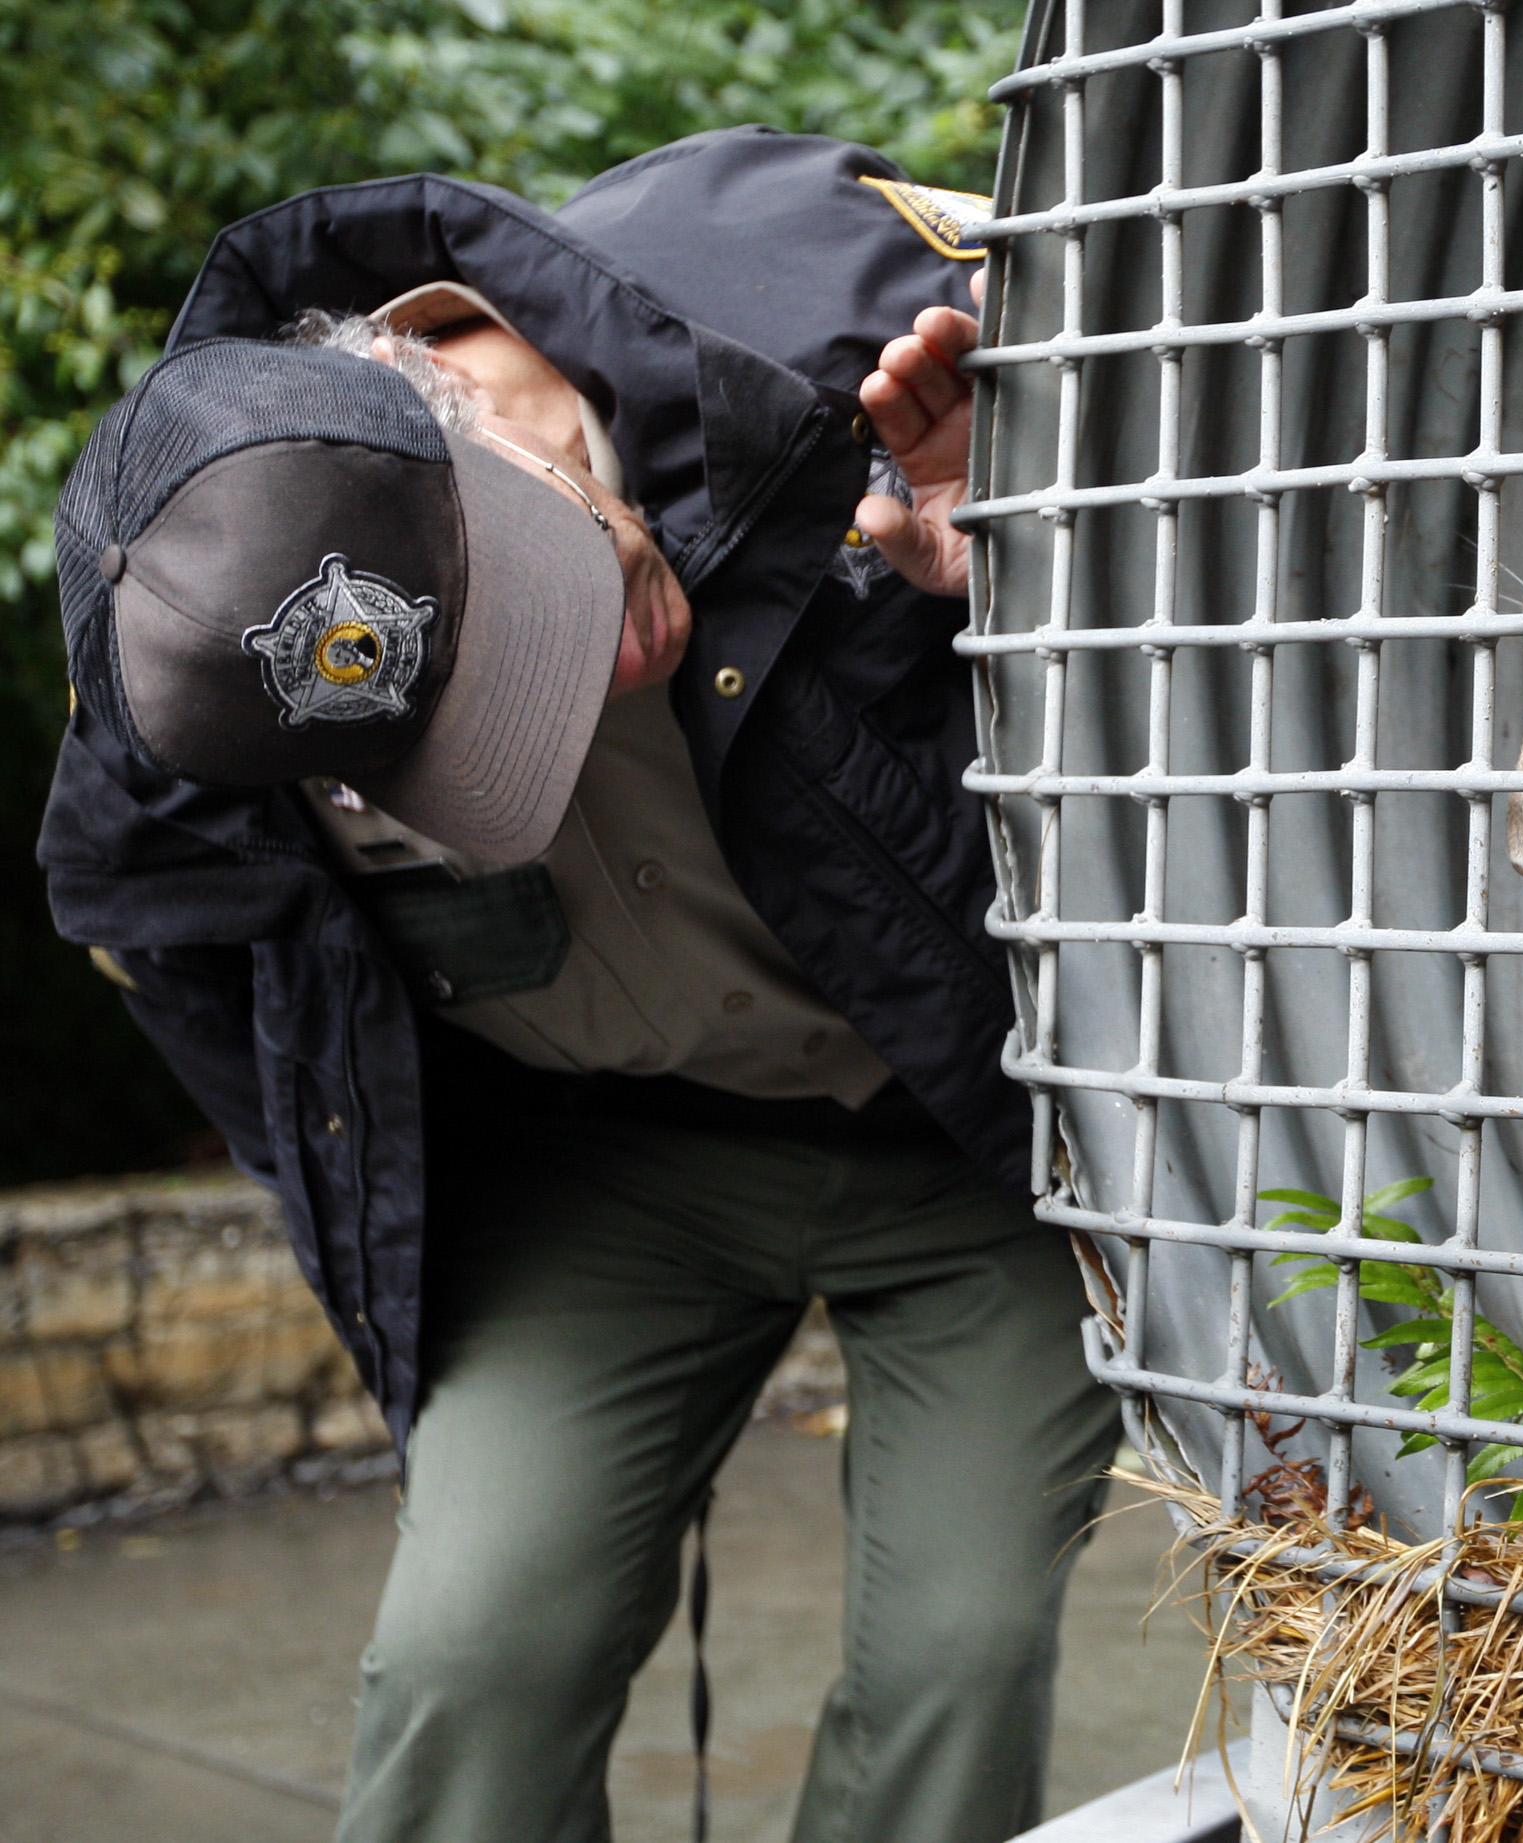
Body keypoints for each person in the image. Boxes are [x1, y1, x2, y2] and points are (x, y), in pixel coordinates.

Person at [39, 127, 1120, 1843]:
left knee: (956, 1658)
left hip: (976, 1140)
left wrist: (1066, 587)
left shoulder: (860, 306)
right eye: (479, 730)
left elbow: (1267, 650)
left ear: (457, 384)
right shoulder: (191, 682)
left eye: (547, 602)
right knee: (470, 1658)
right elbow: (184, 961)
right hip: (603, 1172)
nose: (606, 671)